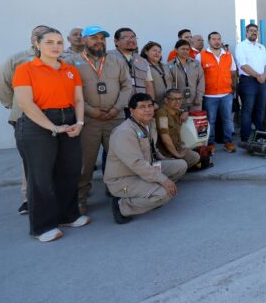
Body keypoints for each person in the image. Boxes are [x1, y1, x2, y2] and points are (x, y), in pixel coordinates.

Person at [13, 27, 89, 242]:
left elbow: (78, 99)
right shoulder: (25, 69)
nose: (55, 46)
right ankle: (42, 226)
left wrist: (79, 122)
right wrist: (53, 127)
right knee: (41, 177)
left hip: (69, 119)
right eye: (49, 42)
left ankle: (68, 216)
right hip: (37, 125)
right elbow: (25, 103)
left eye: (59, 42)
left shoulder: (70, 70)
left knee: (69, 171)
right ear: (37, 44)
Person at [65, 26, 132, 214]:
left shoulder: (116, 60)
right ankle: (80, 199)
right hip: (88, 121)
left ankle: (121, 194)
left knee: (120, 160)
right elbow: (68, 90)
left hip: (115, 118)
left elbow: (127, 86)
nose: (99, 41)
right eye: (94, 38)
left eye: (102, 38)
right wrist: (90, 111)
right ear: (84, 40)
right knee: (85, 163)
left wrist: (117, 108)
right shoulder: (71, 62)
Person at [104, 93, 186, 224]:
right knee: (164, 194)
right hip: (123, 181)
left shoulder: (149, 123)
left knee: (180, 165)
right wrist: (163, 180)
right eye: (142, 107)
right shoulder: (124, 132)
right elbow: (137, 164)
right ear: (131, 111)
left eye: (150, 106)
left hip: (144, 171)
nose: (147, 110)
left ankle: (149, 193)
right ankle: (122, 205)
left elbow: (152, 149)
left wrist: (165, 160)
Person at [0, 24, 48, 215]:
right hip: (26, 117)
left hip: (54, 117)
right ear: (32, 39)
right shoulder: (19, 58)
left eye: (44, 34)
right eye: (36, 34)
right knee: (30, 161)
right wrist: (12, 104)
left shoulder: (60, 57)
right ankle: (27, 199)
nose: (40, 37)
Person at [197, 31, 237, 153]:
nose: (217, 41)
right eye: (214, 39)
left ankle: (228, 142)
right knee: (211, 121)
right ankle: (210, 144)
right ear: (209, 41)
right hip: (209, 95)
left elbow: (233, 72)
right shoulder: (201, 56)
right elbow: (197, 75)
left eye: (219, 39)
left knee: (227, 120)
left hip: (226, 94)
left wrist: (232, 87)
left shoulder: (228, 55)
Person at [235, 23, 266, 143]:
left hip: (262, 81)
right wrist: (257, 76)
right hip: (248, 81)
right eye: (251, 30)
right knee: (247, 110)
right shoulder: (241, 46)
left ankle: (260, 134)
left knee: (260, 109)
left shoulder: (261, 47)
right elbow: (243, 65)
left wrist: (263, 76)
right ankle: (245, 137)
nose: (254, 32)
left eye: (255, 31)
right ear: (246, 32)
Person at [155, 88, 201, 169]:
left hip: (177, 147)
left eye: (180, 99)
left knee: (195, 157)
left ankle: (178, 167)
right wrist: (177, 155)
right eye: (174, 99)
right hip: (166, 153)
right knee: (182, 164)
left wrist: (186, 112)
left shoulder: (176, 110)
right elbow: (165, 138)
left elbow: (183, 111)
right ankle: (176, 167)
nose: (178, 102)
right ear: (166, 100)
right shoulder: (162, 113)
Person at [109, 28, 155, 101]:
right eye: (125, 37)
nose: (131, 40)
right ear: (116, 41)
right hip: (117, 103)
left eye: (133, 37)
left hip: (139, 104)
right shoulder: (107, 57)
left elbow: (148, 84)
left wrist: (151, 102)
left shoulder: (143, 61)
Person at [168, 39, 205, 112]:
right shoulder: (170, 65)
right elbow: (169, 84)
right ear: (176, 50)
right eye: (183, 49)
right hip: (178, 102)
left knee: (195, 119)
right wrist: (174, 99)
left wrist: (199, 97)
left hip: (195, 101)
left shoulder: (196, 63)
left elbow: (201, 81)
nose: (185, 51)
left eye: (187, 49)